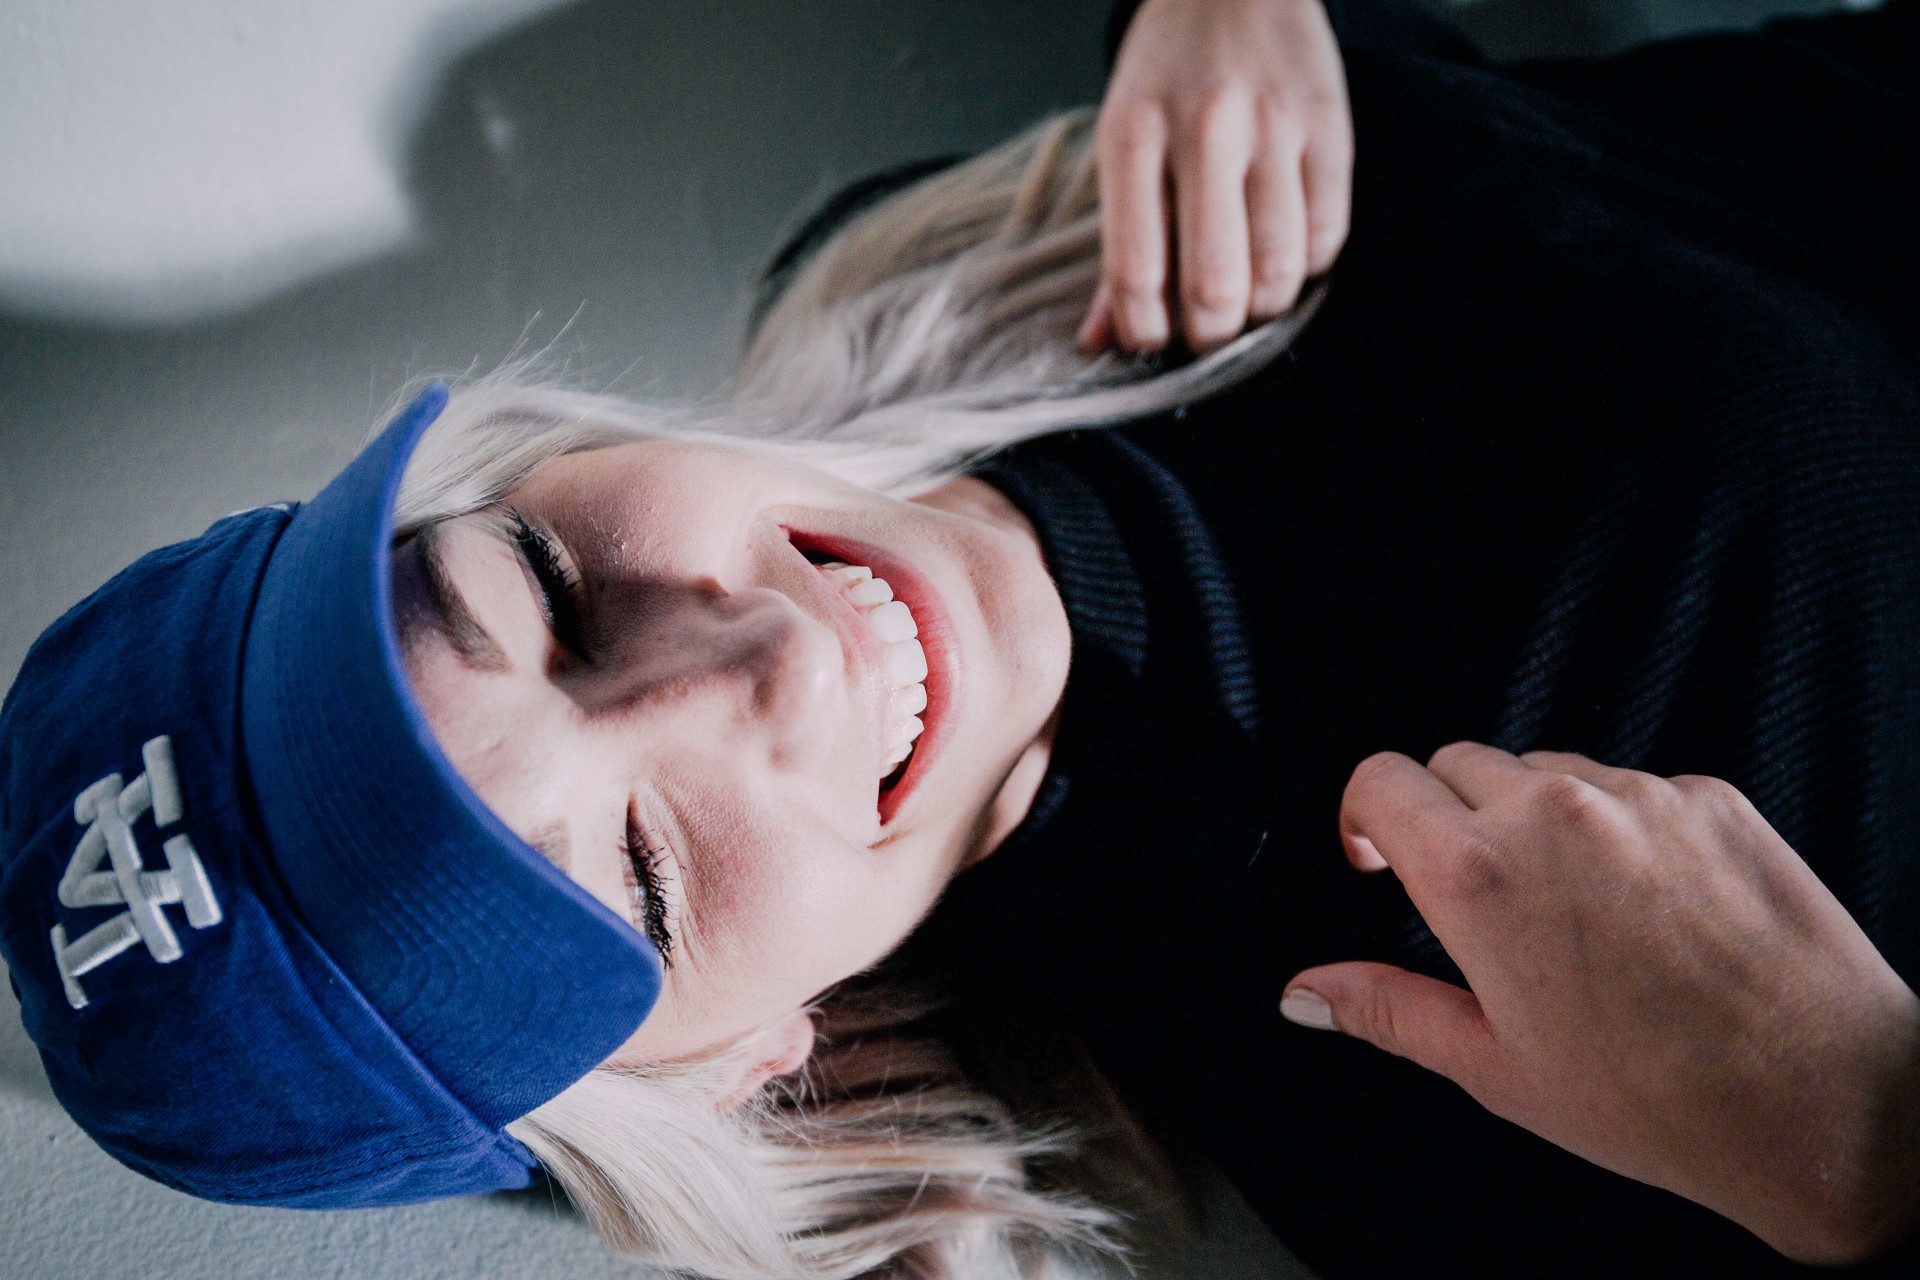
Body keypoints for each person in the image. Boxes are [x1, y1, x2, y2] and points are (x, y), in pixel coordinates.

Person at [2, 0, 1917, 1277]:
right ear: (743, 1065)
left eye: (543, 594)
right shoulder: (1437, 1086)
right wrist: (1872, 1151)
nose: (761, 664)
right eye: (643, 881)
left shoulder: (934, 260)